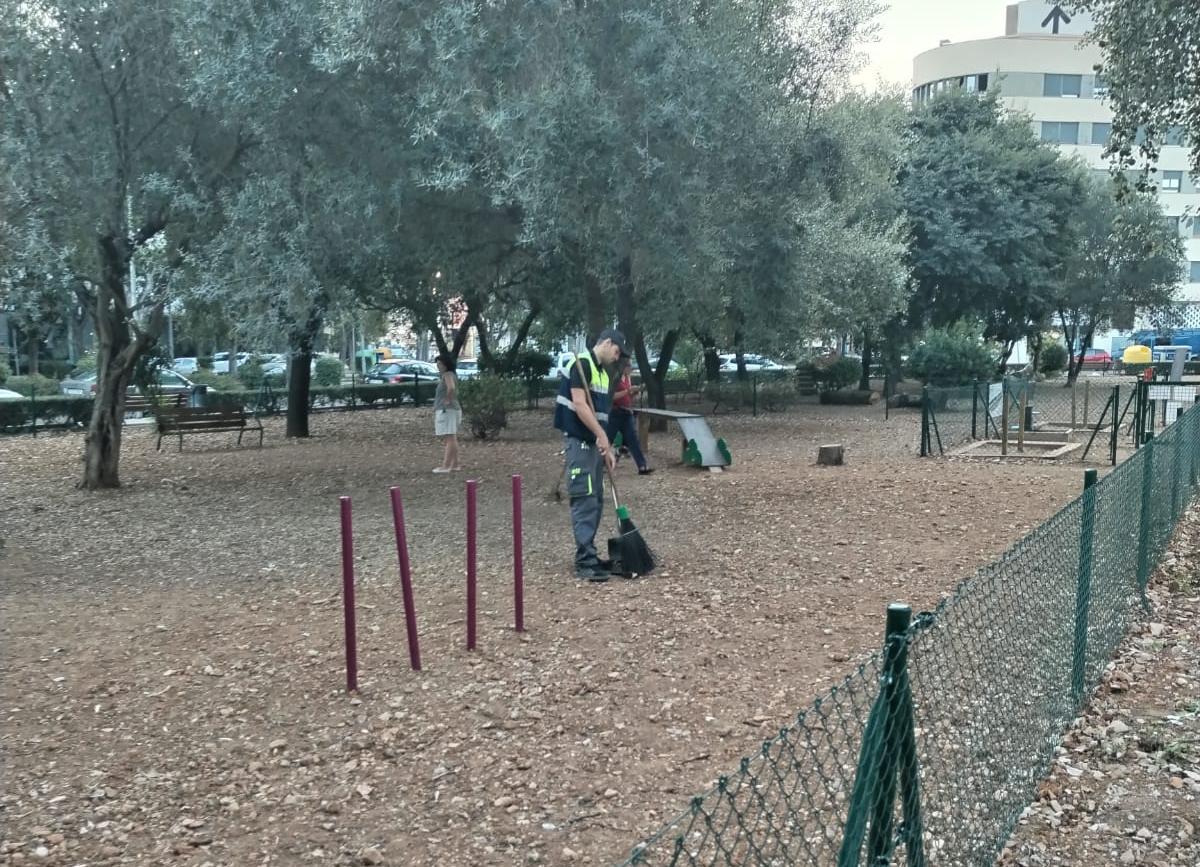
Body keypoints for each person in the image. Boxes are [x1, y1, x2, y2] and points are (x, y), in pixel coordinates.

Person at [552, 329, 626, 581]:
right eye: (617, 352)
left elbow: (601, 416)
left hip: (594, 444)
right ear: (606, 343)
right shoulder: (581, 364)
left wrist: (608, 446)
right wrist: (600, 435)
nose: (617, 358)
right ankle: (584, 561)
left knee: (596, 499)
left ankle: (591, 555)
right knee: (584, 498)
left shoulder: (602, 373)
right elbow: (580, 404)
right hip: (580, 443)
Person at [606, 358, 653, 475]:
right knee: (607, 439)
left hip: (627, 413)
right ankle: (600, 464)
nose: (630, 368)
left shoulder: (628, 378)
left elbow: (627, 397)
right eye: (629, 366)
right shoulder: (615, 378)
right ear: (623, 366)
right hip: (615, 413)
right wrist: (628, 391)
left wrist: (634, 393)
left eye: (631, 366)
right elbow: (612, 397)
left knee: (633, 439)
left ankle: (642, 466)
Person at [432, 354, 462, 473]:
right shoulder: (450, 375)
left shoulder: (447, 375)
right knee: (452, 437)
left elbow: (451, 388)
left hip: (448, 410)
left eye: (440, 363)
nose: (438, 366)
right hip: (451, 409)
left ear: (445, 364)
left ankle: (446, 466)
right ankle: (455, 464)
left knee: (450, 437)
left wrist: (447, 399)